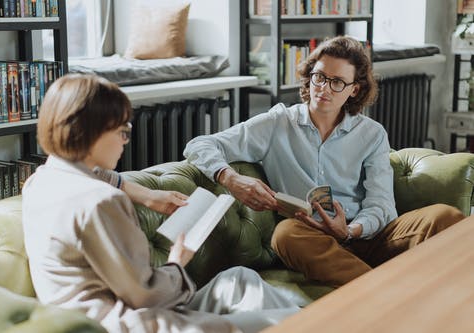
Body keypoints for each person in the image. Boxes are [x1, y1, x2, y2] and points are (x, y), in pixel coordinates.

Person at [22, 73, 300, 333]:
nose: (125, 141)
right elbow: (145, 293)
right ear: (90, 132)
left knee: (240, 280)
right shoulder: (100, 203)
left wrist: (148, 195)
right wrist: (177, 263)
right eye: (121, 131)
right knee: (289, 321)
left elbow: (102, 175)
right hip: (127, 323)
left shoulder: (41, 181)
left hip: (116, 311)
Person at [183, 36, 465, 288]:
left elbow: (382, 205)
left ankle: (380, 285)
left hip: (367, 235)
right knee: (285, 234)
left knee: (445, 217)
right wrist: (230, 178)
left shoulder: (371, 134)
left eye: (337, 82)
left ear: (354, 89)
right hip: (312, 240)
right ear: (310, 76)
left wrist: (351, 230)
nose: (324, 89)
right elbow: (199, 144)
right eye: (319, 77)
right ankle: (383, 292)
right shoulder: (277, 123)